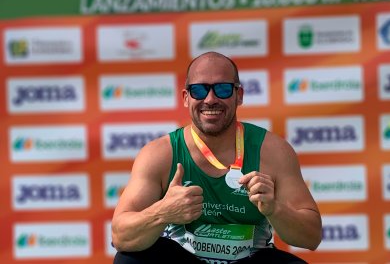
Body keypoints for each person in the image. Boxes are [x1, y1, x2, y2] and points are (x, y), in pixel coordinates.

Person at [111, 51, 322, 264]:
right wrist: (162, 212)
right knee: (129, 259)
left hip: (250, 259)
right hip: (183, 259)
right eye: (199, 90)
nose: (210, 99)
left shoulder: (273, 151)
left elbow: (311, 237)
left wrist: (275, 209)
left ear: (239, 95)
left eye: (222, 89)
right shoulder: (160, 153)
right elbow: (121, 236)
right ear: (186, 98)